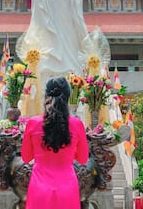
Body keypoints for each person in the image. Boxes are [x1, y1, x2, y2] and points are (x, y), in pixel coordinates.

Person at [21, 76, 89, 209]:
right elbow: (82, 159)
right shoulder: (77, 124)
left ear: (46, 95)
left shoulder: (33, 123)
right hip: (67, 188)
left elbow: (26, 157)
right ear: (68, 97)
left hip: (39, 188)